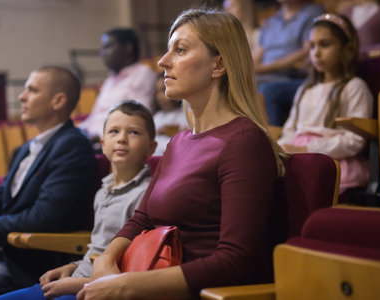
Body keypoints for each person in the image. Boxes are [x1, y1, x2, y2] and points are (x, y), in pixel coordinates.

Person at [75, 8, 286, 300]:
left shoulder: (244, 143)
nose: (163, 61)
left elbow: (237, 261)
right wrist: (107, 261)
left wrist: (125, 286)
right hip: (146, 283)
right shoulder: (179, 142)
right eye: (167, 50)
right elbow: (142, 219)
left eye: (180, 50)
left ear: (219, 65)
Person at [0, 65, 97, 299]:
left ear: (58, 101)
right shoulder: (28, 147)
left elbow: (46, 217)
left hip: (20, 265)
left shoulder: (72, 146)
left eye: (32, 90)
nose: (21, 96)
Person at [0, 100, 157, 300]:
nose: (122, 139)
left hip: (99, 291)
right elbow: (97, 248)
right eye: (114, 131)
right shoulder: (102, 191)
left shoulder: (145, 195)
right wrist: (71, 267)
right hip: (77, 279)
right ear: (102, 145)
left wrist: (76, 284)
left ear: (151, 147)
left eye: (134, 132)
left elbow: (135, 268)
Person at [277, 13, 373, 193]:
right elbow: (290, 129)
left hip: (333, 161)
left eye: (325, 44)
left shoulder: (354, 87)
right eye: (312, 46)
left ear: (347, 48)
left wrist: (307, 148)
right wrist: (281, 148)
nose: (316, 53)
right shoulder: (305, 89)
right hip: (298, 157)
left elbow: (355, 140)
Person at [78, 28, 158, 143]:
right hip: (91, 140)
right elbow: (95, 117)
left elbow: (137, 118)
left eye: (108, 47)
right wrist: (79, 131)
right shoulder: (110, 80)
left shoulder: (142, 74)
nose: (102, 53)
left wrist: (101, 136)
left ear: (127, 48)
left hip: (112, 142)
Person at [254, 0, 324, 126]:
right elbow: (257, 56)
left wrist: (264, 68)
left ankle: (272, 142)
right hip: (263, 77)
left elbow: (307, 51)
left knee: (267, 89)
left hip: (293, 77)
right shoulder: (270, 21)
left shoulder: (313, 13)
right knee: (232, 83)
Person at [152, 74, 189, 156]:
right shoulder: (157, 116)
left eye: (163, 90)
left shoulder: (185, 114)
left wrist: (173, 132)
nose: (159, 97)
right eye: (157, 92)